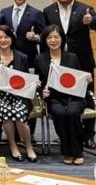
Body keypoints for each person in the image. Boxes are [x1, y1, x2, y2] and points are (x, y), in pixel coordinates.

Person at [42, 0, 96, 149]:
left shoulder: (85, 9)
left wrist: (92, 22)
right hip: (58, 62)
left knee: (87, 98)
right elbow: (46, 34)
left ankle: (88, 135)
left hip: (82, 61)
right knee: (61, 100)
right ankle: (66, 134)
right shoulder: (48, 11)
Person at [35, 25, 89, 165]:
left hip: (74, 97)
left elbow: (80, 78)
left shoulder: (72, 57)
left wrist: (87, 78)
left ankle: (76, 151)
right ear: (45, 40)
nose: (53, 40)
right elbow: (38, 82)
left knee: (72, 113)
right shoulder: (40, 59)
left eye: (56, 37)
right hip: (54, 98)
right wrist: (42, 92)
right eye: (50, 37)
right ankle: (68, 150)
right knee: (60, 114)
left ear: (62, 39)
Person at [0, 25, 36, 162]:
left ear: (11, 38)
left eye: (6, 37)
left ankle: (29, 146)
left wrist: (34, 83)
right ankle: (13, 146)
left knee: (18, 114)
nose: (3, 40)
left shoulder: (22, 57)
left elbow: (26, 79)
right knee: (7, 113)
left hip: (19, 96)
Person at [0, 0, 45, 68]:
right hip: (7, 56)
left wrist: (35, 37)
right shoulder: (4, 12)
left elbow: (45, 35)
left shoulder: (36, 13)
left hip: (28, 57)